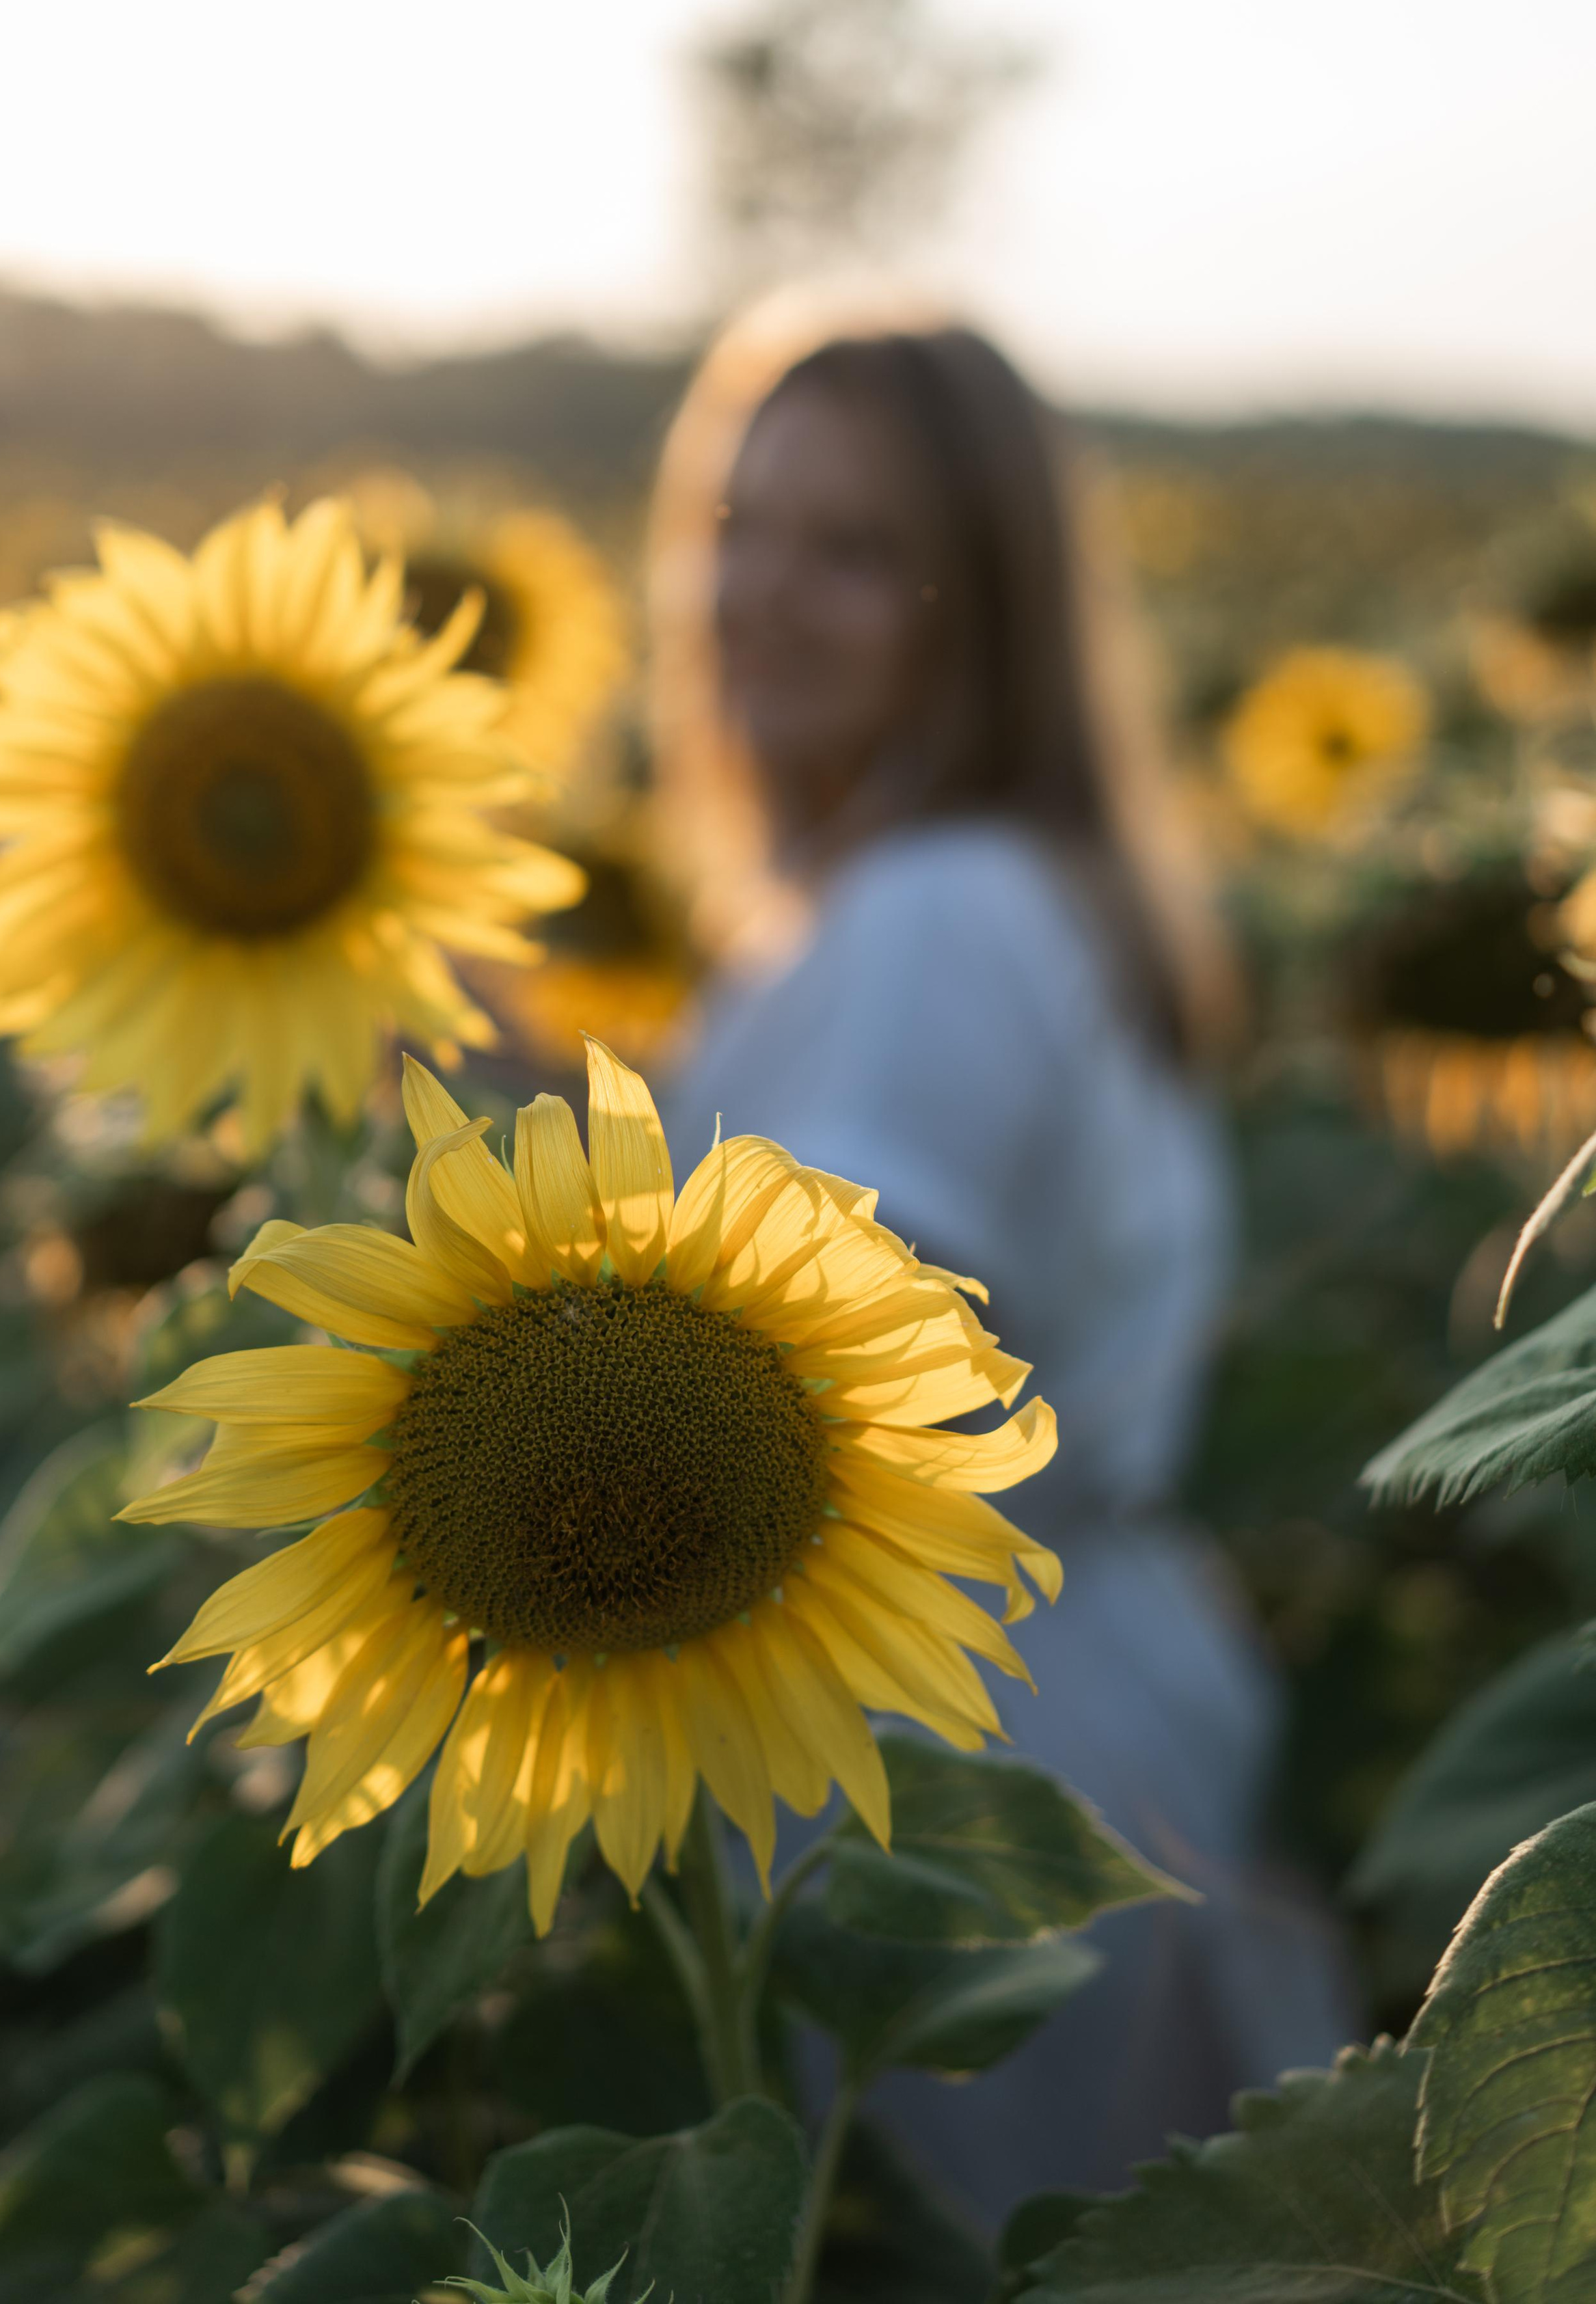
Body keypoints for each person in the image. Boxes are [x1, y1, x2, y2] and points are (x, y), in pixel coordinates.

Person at [646, 290, 1353, 2228]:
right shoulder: (945, 894)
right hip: (1044, 1697)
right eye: (740, 526)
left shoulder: (938, 913)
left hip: (945, 1742)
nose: (761, 595)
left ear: (993, 610)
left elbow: (824, 1349)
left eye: (856, 552)